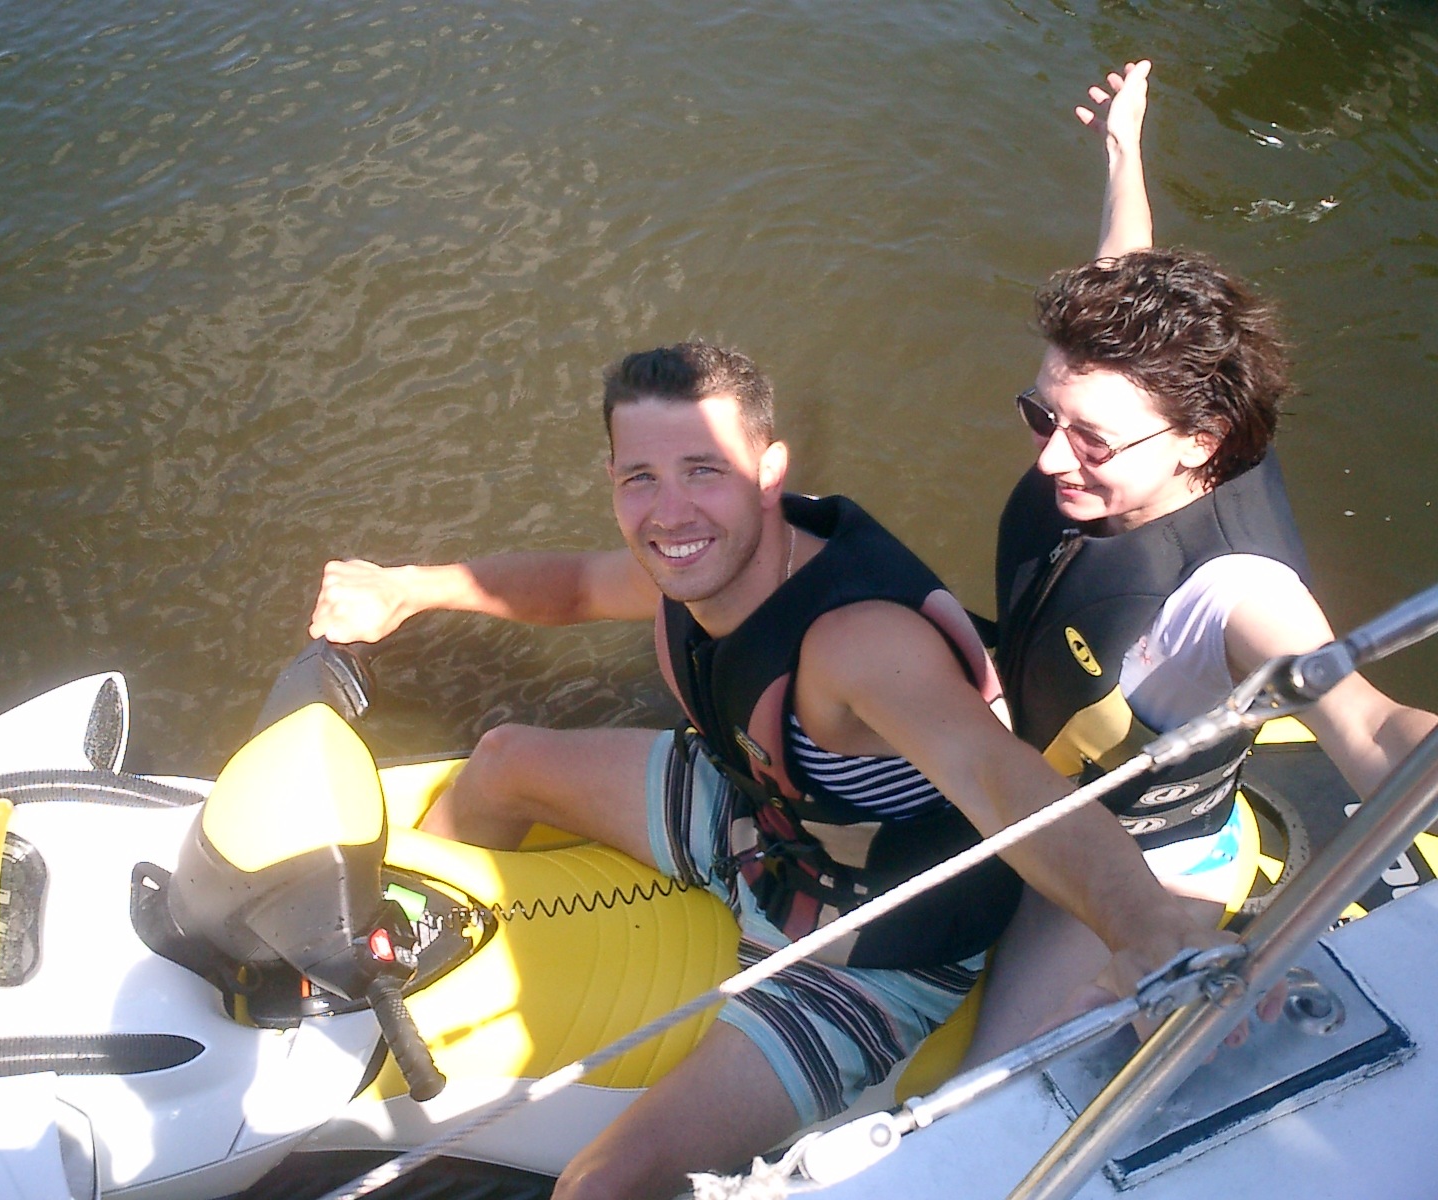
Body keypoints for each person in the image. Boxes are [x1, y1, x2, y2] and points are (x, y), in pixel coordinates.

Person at [308, 340, 1223, 1200]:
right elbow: (577, 586)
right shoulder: (690, 556)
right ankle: (403, 960)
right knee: (504, 760)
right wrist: (408, 588)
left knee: (599, 1186)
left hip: (869, 940)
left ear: (770, 472)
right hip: (761, 821)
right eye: (640, 477)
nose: (670, 511)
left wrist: (1142, 924)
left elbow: (999, 780)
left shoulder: (859, 642)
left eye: (704, 470)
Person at [964, 61, 1438, 1062]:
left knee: (995, 1081)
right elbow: (1123, 262)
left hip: (1135, 852)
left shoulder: (1238, 591)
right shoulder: (1135, 404)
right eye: (1042, 416)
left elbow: (1366, 723)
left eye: (1090, 441)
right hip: (1032, 748)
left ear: (1199, 440)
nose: (1049, 458)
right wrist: (1122, 147)